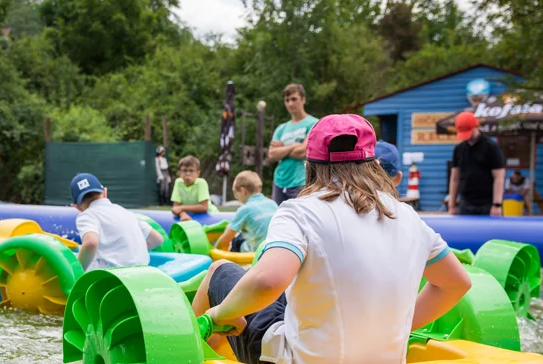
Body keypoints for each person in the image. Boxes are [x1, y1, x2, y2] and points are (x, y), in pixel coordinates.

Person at [192, 114, 471, 363]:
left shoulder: (300, 210)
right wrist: (398, 325)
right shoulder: (408, 216)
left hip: (298, 358)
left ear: (310, 165)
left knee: (220, 270)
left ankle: (196, 351)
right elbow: (457, 283)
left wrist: (219, 314)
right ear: (373, 163)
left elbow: (268, 280)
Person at [70, 173, 164, 271]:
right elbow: (158, 240)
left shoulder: (87, 215)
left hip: (114, 277)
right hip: (143, 272)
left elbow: (91, 243)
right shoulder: (125, 212)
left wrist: (77, 271)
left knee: (74, 258)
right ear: (105, 192)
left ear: (77, 207)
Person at [268, 84, 319, 205]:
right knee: (279, 220)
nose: (290, 103)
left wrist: (282, 149)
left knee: (301, 220)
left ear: (303, 99)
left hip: (302, 181)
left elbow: (303, 151)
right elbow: (271, 154)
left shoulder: (314, 123)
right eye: (287, 100)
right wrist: (294, 146)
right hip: (279, 181)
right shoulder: (281, 128)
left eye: (294, 99)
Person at [448, 111, 506, 216]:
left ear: (477, 127)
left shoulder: (491, 147)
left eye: (469, 132)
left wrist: (497, 204)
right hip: (466, 202)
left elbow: (499, 178)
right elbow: (455, 178)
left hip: (488, 203)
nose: (468, 137)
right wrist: (451, 204)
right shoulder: (459, 149)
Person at [215, 171, 278, 253]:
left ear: (242, 190)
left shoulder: (245, 209)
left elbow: (225, 239)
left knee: (236, 239)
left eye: (235, 193)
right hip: (275, 249)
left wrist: (214, 251)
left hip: (256, 253)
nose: (236, 197)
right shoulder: (272, 203)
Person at [171, 155, 219, 221]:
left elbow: (204, 207)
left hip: (210, 215)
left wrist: (182, 208)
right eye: (184, 170)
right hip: (189, 215)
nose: (188, 173)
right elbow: (176, 208)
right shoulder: (178, 182)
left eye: (191, 170)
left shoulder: (201, 183)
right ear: (179, 173)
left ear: (198, 173)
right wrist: (182, 214)